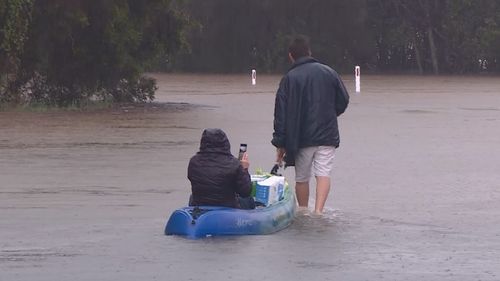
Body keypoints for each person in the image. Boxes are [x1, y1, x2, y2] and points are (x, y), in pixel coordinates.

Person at [271, 35, 349, 215]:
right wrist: (330, 114)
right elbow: (343, 100)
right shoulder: (329, 72)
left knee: (302, 178)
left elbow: (280, 113)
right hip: (327, 134)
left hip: (301, 136)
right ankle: (319, 212)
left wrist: (280, 142)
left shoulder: (289, 78)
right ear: (310, 52)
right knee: (323, 173)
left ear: (291, 56)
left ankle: (304, 211)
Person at [188, 128, 255, 209]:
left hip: (199, 206)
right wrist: (244, 169)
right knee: (247, 199)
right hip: (227, 209)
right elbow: (245, 192)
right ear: (225, 143)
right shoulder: (234, 164)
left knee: (193, 196)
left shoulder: (193, 162)